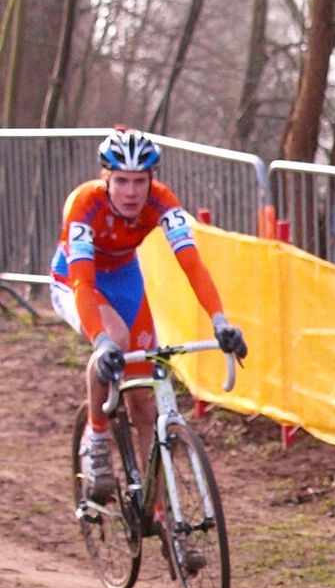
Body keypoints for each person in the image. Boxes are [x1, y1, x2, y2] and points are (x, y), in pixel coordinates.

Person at [50, 127, 248, 502]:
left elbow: (192, 265)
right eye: (121, 181)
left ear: (151, 180)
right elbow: (81, 281)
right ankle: (96, 437)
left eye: (139, 181)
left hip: (125, 279)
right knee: (116, 342)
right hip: (77, 279)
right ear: (106, 179)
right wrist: (102, 340)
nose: (130, 192)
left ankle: (160, 513)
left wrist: (220, 320)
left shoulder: (162, 202)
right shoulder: (84, 204)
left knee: (144, 402)